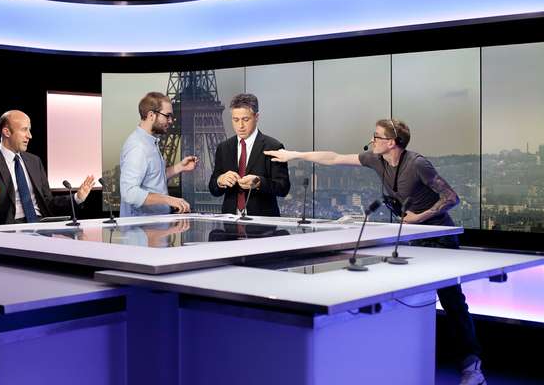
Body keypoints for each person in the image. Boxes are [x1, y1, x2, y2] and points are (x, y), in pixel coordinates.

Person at [265, 118, 487, 385]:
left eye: (376, 137)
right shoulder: (376, 160)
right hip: (412, 237)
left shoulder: (417, 164)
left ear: (391, 143)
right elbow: (335, 158)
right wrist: (295, 155)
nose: (372, 141)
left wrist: (420, 217)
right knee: (411, 298)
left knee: (452, 301)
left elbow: (451, 198)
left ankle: (472, 368)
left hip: (439, 236)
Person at [0, 110, 95, 225]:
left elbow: (48, 202)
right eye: (24, 130)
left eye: (29, 130)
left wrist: (76, 198)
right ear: (7, 132)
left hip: (41, 224)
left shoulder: (34, 161)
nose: (29, 136)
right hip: (9, 230)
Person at [208, 93, 290, 216]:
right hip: (230, 223)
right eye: (236, 120)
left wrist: (258, 183)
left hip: (263, 225)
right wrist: (220, 180)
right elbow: (213, 188)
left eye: (245, 120)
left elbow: (283, 188)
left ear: (256, 117)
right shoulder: (223, 148)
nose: (240, 126)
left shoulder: (273, 147)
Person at [120, 91, 197, 217]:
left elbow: (153, 179)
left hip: (152, 227)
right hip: (142, 230)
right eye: (167, 116)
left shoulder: (150, 143)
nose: (171, 120)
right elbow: (129, 193)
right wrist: (169, 199)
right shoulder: (138, 147)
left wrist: (179, 167)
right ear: (151, 115)